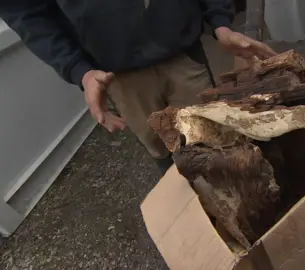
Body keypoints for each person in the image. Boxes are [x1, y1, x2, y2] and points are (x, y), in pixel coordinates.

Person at [0, 0, 276, 174]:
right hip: (115, 72)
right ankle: (193, 224)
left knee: (215, 140)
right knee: (165, 152)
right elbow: (28, 11)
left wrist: (220, 21)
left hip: (182, 51)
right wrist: (78, 70)